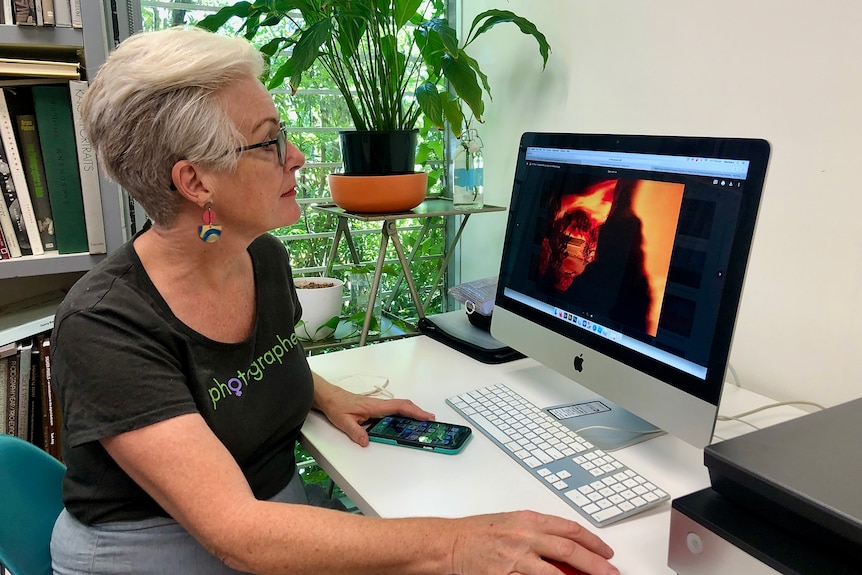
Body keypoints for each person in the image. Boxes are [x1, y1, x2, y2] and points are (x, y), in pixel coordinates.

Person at [49, 26, 620, 575]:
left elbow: (244, 371)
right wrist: (456, 543)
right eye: (270, 141)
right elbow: (236, 534)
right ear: (196, 183)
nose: (295, 156)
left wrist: (326, 393)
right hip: (159, 549)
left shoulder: (262, 260)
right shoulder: (104, 325)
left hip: (274, 520)